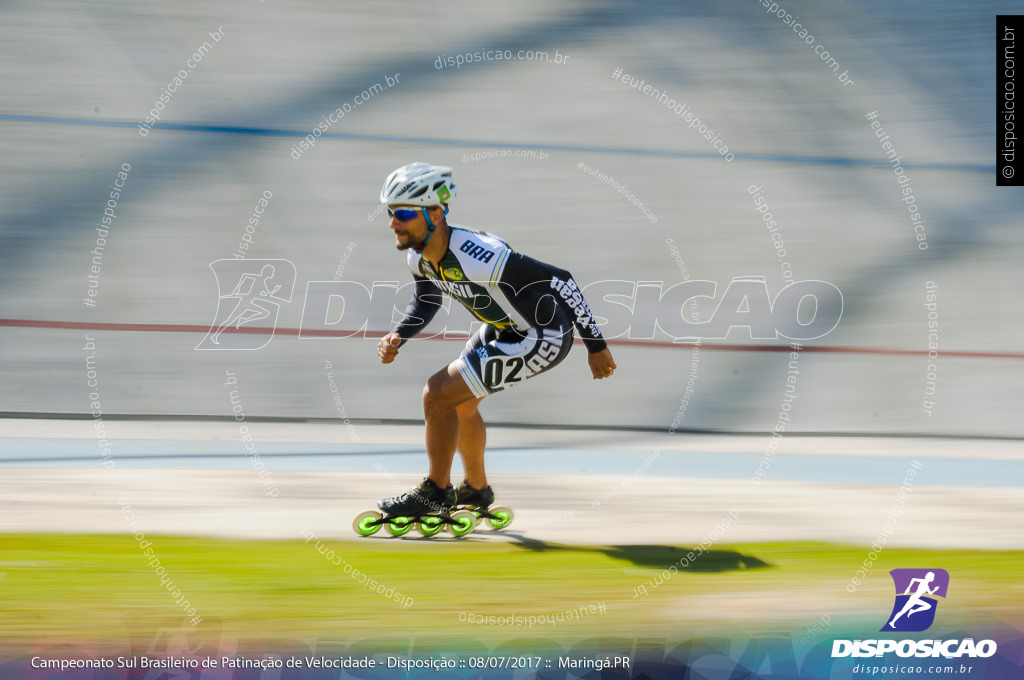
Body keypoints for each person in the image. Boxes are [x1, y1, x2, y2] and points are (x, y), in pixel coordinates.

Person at [375, 162, 616, 517]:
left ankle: (436, 493)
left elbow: (562, 279)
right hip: (505, 327)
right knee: (459, 404)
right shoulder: (418, 255)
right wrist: (400, 334)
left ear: (436, 214)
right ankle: (475, 489)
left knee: (437, 394)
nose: (393, 222)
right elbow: (427, 301)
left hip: (541, 334)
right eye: (391, 212)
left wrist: (595, 346)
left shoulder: (480, 256)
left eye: (404, 213)